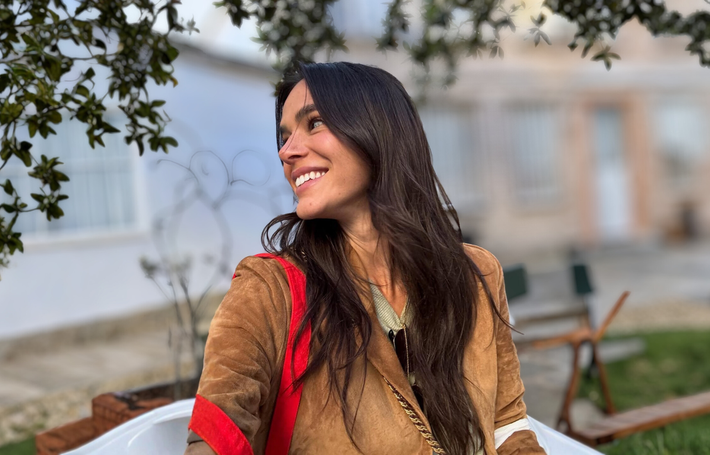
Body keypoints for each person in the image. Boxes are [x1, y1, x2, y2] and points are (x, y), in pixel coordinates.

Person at [185, 62, 546, 454]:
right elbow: (216, 434)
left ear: (379, 132)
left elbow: (507, 424)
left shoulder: (475, 274)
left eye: (315, 123)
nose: (286, 151)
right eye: (284, 137)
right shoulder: (269, 289)